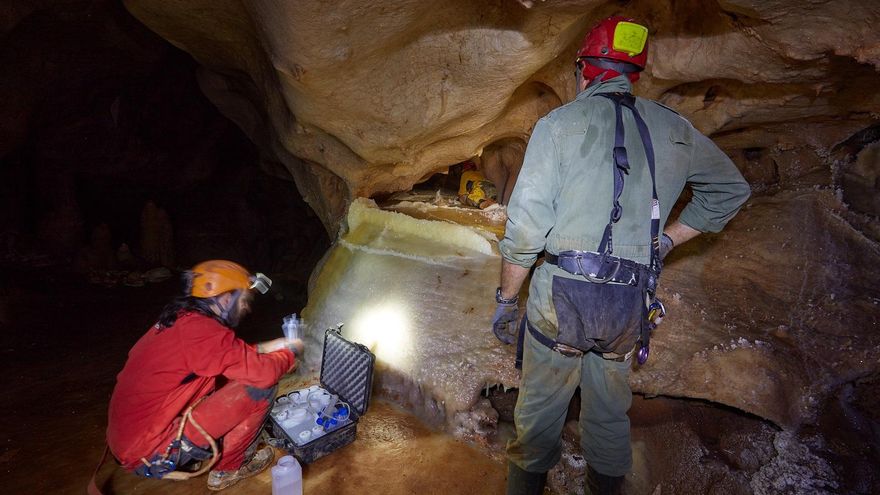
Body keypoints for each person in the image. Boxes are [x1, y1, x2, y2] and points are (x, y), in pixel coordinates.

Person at [491, 16, 751, 495]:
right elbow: (730, 190)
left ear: (584, 71)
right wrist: (666, 240)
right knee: (610, 413)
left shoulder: (559, 125)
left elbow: (526, 228)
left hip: (562, 301)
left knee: (539, 414)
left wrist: (507, 300)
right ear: (634, 75)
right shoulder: (675, 130)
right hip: (627, 304)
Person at [106, 260, 304, 491]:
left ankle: (211, 447)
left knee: (229, 378)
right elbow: (264, 373)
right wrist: (289, 353)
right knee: (260, 386)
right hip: (151, 450)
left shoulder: (184, 320)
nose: (247, 308)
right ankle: (228, 469)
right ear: (225, 298)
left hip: (130, 439)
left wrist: (270, 346)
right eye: (244, 300)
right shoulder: (202, 333)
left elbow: (226, 355)